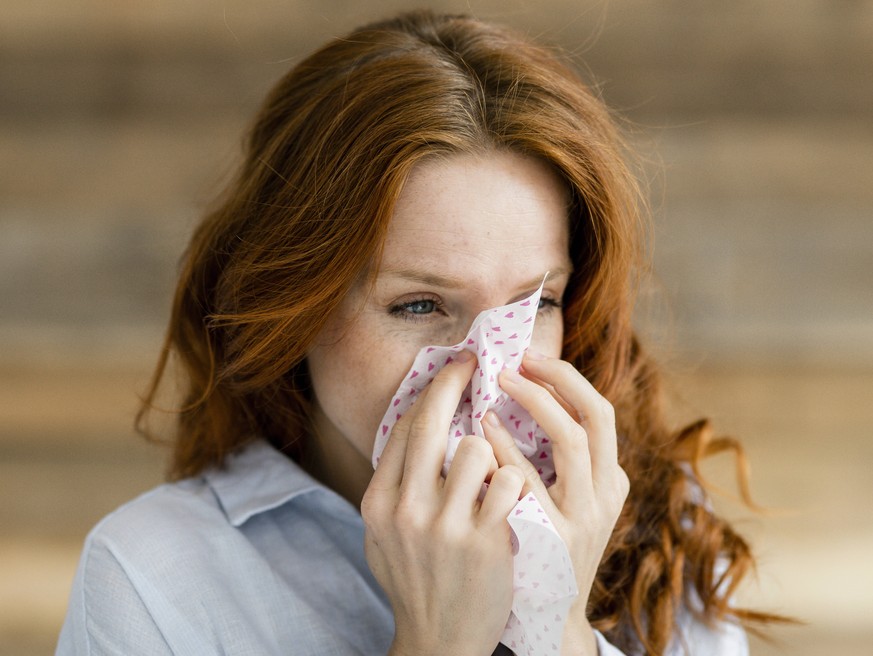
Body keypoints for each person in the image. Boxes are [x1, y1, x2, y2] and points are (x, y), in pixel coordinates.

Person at [56, 10, 778, 656]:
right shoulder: (152, 578)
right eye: (418, 306)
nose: (489, 373)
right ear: (290, 307)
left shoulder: (657, 530)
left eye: (533, 305)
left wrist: (557, 630)